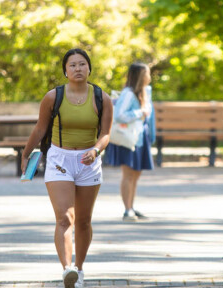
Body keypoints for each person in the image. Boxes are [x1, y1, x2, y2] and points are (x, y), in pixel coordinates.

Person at [20, 48, 113, 288]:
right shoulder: (53, 97)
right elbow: (40, 128)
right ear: (65, 71)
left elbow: (105, 134)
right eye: (72, 65)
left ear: (89, 68)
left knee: (83, 221)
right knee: (64, 218)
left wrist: (95, 150)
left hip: (89, 161)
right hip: (59, 159)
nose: (78, 68)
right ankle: (67, 269)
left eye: (82, 64)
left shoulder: (102, 98)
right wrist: (26, 152)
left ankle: (79, 270)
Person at [103, 62, 156, 221]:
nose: (149, 76)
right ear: (140, 76)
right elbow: (119, 115)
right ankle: (127, 210)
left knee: (136, 174)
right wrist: (140, 112)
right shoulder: (128, 93)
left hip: (140, 138)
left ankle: (131, 206)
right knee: (128, 174)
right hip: (128, 138)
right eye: (147, 73)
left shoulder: (145, 92)